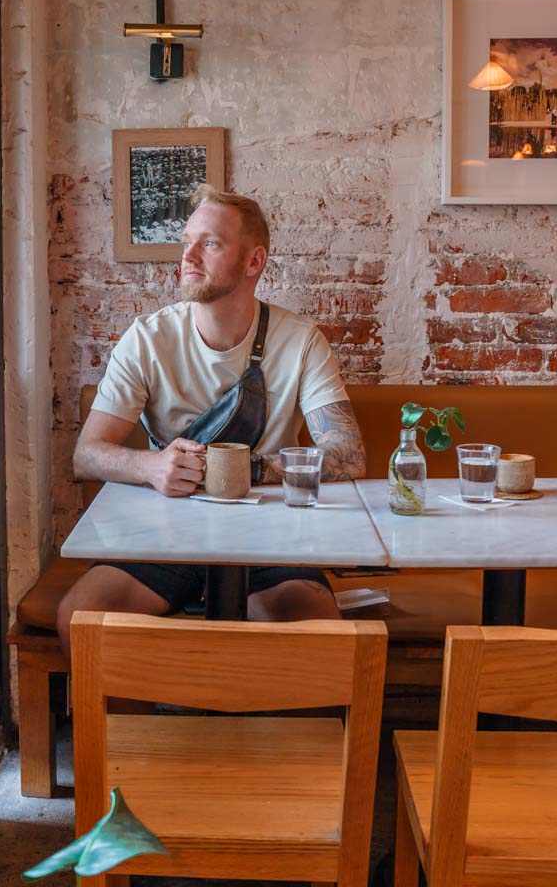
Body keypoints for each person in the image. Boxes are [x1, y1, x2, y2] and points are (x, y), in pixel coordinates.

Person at [56, 185, 367, 656]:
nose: (189, 255)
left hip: (272, 535)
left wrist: (249, 470)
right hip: (165, 535)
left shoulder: (301, 341)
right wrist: (153, 467)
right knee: (82, 619)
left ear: (254, 262)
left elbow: (349, 455)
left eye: (211, 243)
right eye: (187, 241)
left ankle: (274, 732)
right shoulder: (148, 339)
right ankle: (137, 734)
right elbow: (86, 454)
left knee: (320, 635)